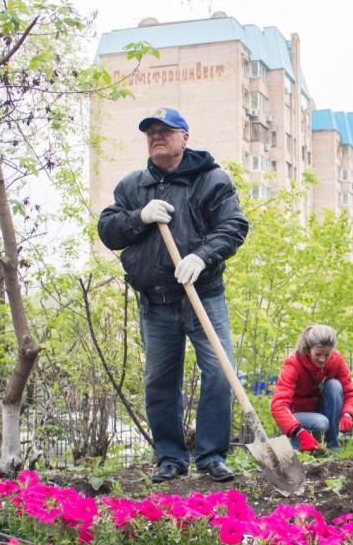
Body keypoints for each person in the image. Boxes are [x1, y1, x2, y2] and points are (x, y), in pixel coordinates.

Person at [97, 107, 249, 482]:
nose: (156, 137)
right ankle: (170, 458)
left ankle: (212, 456)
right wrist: (139, 217)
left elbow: (233, 226)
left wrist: (201, 255)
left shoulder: (211, 180)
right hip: (156, 302)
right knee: (159, 381)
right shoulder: (133, 188)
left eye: (166, 131)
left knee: (218, 373)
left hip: (203, 297)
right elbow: (108, 231)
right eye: (150, 132)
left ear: (185, 137)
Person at [270, 325, 353, 452]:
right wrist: (299, 431)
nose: (322, 359)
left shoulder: (336, 360)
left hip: (320, 411)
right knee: (320, 422)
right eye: (318, 354)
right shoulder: (293, 364)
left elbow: (350, 393)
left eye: (327, 355)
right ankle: (297, 447)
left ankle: (332, 448)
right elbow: (278, 405)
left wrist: (348, 414)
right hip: (297, 416)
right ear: (308, 349)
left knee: (334, 386)